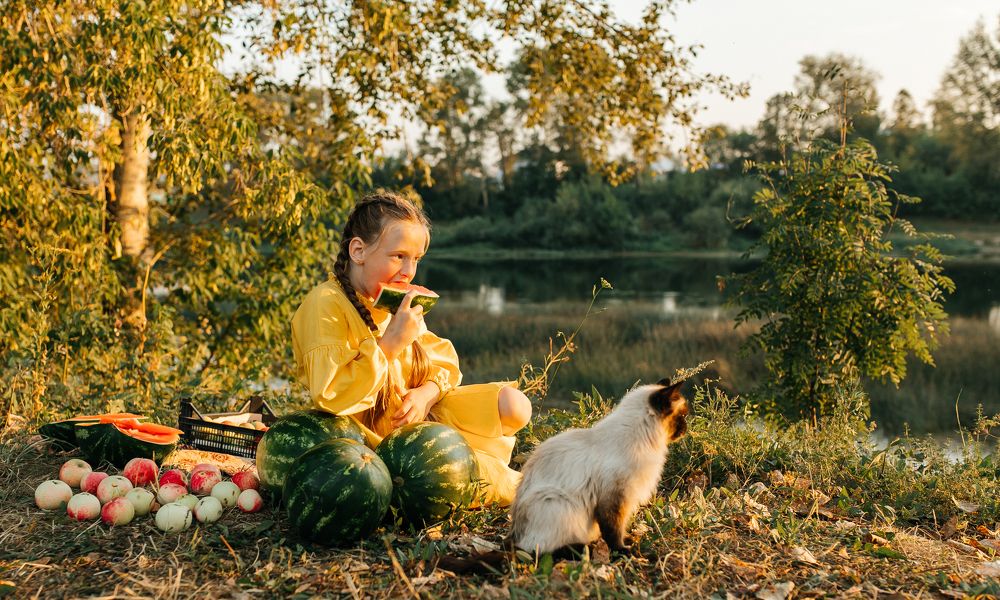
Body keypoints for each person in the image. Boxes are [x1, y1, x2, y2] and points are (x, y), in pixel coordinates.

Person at [290, 190, 533, 506]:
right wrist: (390, 344)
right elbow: (331, 394)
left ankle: (467, 452)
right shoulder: (325, 305)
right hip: (374, 441)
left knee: (514, 405)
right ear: (358, 250)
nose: (408, 271)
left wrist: (426, 393)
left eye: (416, 259)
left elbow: (443, 363)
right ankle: (508, 480)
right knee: (468, 472)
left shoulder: (394, 302)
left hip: (420, 415)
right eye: (398, 256)